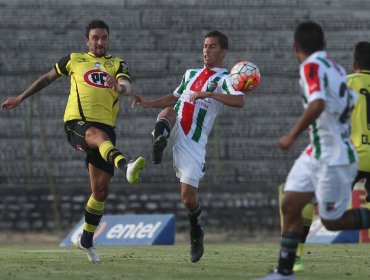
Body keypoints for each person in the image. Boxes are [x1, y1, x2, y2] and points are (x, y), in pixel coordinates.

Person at [1, 20, 145, 264]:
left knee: (100, 192)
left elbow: (127, 85)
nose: (100, 42)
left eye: (104, 38)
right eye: (95, 38)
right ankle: (126, 165)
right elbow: (47, 78)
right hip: (77, 123)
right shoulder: (74, 59)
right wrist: (21, 97)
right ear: (87, 41)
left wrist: (119, 88)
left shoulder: (117, 63)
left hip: (106, 129)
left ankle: (86, 239)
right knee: (98, 137)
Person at [259, 21, 370, 280]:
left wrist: (290, 136)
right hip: (316, 152)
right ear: (324, 44)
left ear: (295, 46)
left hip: (332, 155)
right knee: (290, 203)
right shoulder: (336, 68)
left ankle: (287, 267)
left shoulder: (311, 66)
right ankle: (284, 271)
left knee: (332, 220)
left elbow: (317, 103)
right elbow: (349, 104)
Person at [132, 31, 246, 263]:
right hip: (176, 125)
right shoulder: (190, 74)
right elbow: (173, 98)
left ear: (223, 52)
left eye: (212, 46)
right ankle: (159, 140)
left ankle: (196, 231)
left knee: (187, 198)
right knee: (167, 113)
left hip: (194, 142)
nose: (207, 50)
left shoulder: (225, 79)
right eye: (205, 45)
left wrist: (208, 93)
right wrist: (147, 103)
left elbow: (239, 101)